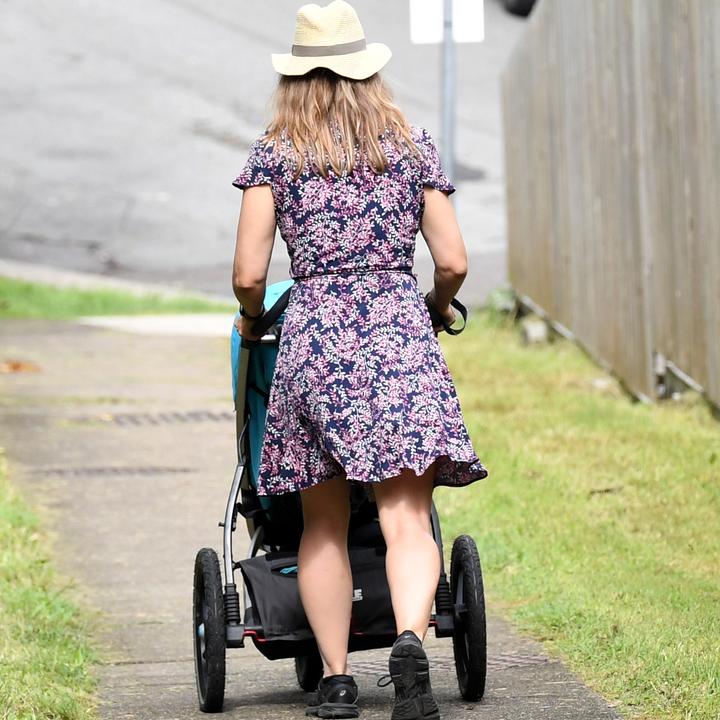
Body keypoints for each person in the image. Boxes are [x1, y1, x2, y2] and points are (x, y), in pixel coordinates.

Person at [231, 2, 487, 718]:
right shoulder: (412, 148)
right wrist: (434, 305)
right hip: (399, 334)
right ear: (368, 72)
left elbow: (250, 275)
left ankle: (338, 679)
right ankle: (408, 639)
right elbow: (456, 260)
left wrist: (254, 324)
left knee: (323, 525)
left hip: (314, 341)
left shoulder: (274, 155)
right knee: (407, 516)